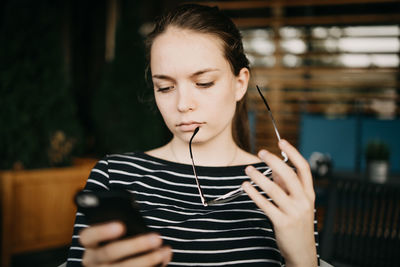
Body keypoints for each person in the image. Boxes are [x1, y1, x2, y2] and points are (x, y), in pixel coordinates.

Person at [66, 4, 319, 267]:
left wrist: (304, 259)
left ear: (240, 84)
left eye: (203, 83)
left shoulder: (284, 189)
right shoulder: (114, 175)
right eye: (165, 87)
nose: (182, 104)